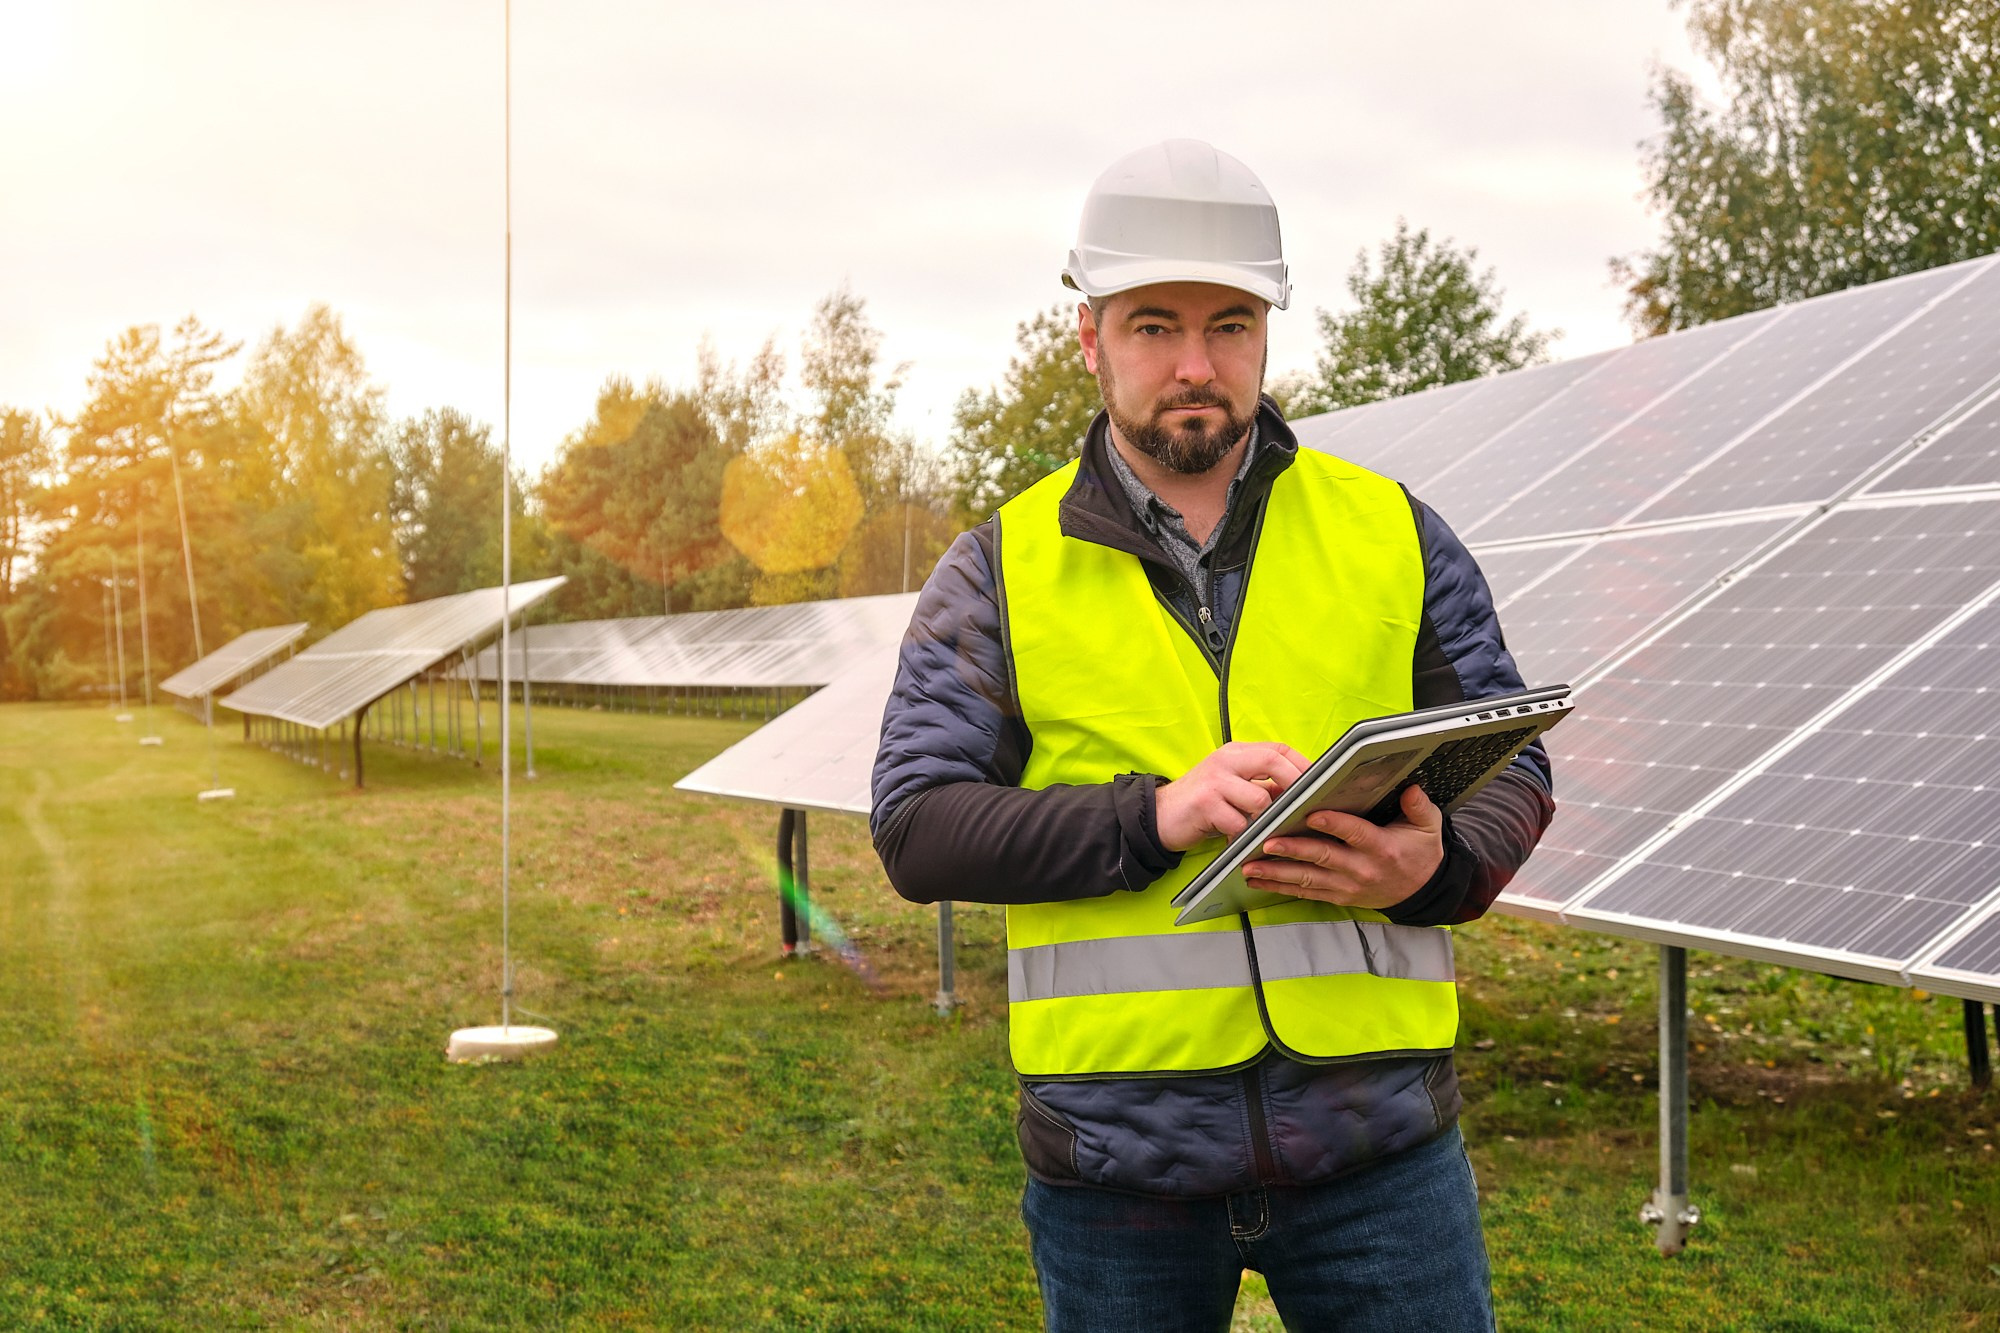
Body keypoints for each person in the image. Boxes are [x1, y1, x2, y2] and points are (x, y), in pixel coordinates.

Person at [870, 139, 1553, 1333]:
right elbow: (916, 828)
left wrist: (1434, 867)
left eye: (1229, 323)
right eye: (1152, 326)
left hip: (1379, 1148)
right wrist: (1151, 814)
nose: (1195, 363)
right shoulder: (999, 568)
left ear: (1267, 334)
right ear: (1088, 338)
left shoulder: (1390, 530)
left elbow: (1512, 760)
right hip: (1114, 1161)